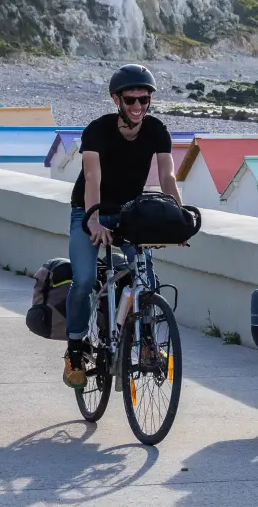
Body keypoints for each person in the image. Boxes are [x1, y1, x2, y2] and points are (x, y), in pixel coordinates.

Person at [65, 64, 182, 387]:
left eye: (144, 100)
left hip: (130, 212)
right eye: (130, 100)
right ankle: (75, 348)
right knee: (85, 279)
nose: (137, 107)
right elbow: (92, 178)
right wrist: (92, 220)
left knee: (148, 279)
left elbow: (168, 176)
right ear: (116, 99)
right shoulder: (97, 131)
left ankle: (146, 342)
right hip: (89, 209)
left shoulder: (156, 129)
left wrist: (179, 219)